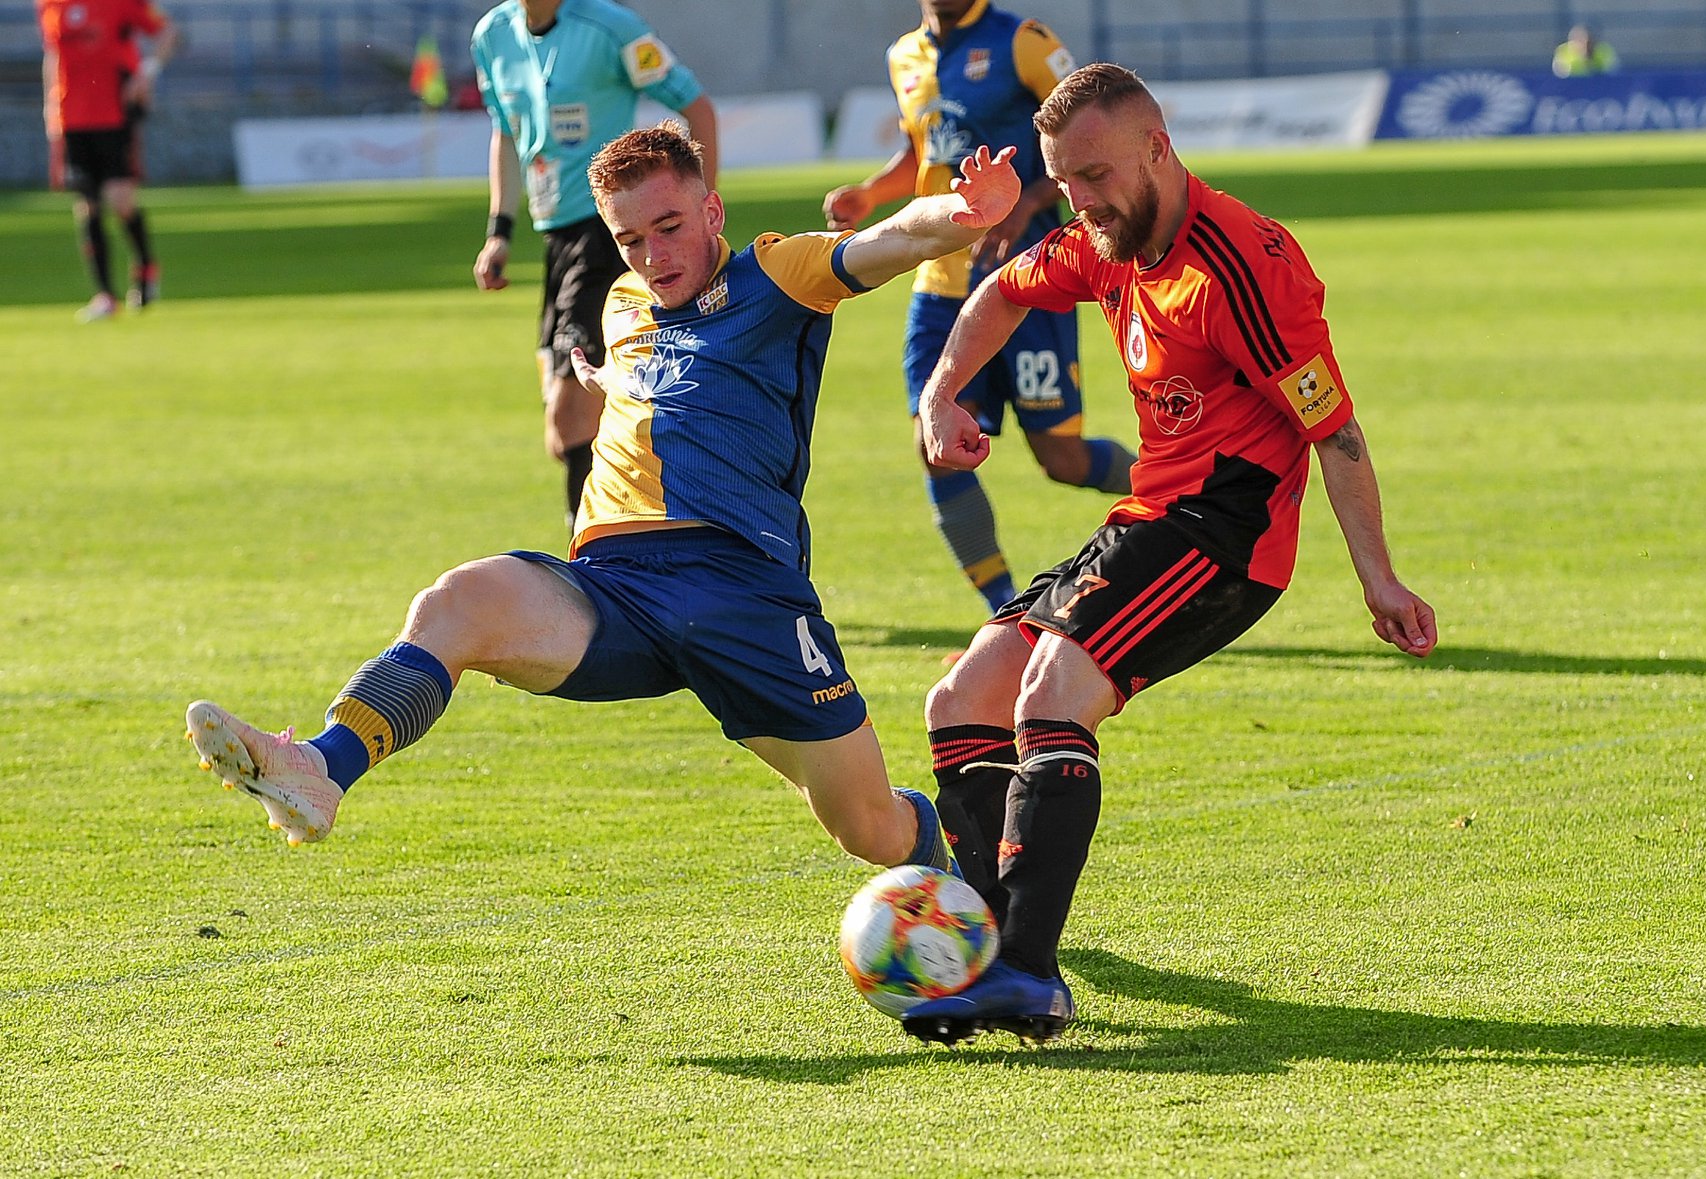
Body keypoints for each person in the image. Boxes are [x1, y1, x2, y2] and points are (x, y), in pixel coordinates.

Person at [184, 126, 1025, 894]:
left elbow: (891, 241)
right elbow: (646, 377)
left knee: (867, 826)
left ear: (712, 211)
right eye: (630, 238)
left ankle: (969, 888)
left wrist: (963, 212)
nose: (653, 255)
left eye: (669, 226)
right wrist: (608, 381)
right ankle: (320, 768)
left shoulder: (777, 275)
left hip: (743, 592)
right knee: (459, 600)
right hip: (615, 587)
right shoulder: (623, 303)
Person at [903, 63, 1439, 1045]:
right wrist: (941, 393)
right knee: (961, 699)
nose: (1080, 202)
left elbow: (1334, 431)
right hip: (1146, 519)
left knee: (1051, 697)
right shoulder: (1103, 240)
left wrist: (1379, 580)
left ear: (1157, 147)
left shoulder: (1244, 266)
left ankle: (1024, 973)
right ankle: (984, 953)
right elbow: (1000, 292)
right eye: (1064, 182)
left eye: (1095, 176)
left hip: (1227, 536)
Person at [823, 0, 1134, 614]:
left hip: (1030, 281)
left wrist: (1027, 203)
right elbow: (926, 152)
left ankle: (1184, 489)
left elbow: (1088, 136)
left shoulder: (1025, 41)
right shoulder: (904, 55)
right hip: (941, 285)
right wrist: (871, 193)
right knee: (935, 445)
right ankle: (1005, 609)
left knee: (1062, 459)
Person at [470, 0, 720, 530]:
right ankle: (659, 517)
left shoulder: (611, 28)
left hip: (609, 236)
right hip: (554, 237)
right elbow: (507, 133)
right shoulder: (492, 35)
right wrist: (499, 231)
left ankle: (595, 558)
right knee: (566, 433)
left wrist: (698, 214)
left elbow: (697, 108)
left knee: (570, 417)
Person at [36, 0, 177, 323]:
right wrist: (50, 109)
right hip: (72, 118)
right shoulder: (50, 4)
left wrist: (146, 73)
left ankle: (145, 266)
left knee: (120, 201)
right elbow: (52, 55)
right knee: (88, 205)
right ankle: (105, 296)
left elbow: (168, 32)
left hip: (115, 114)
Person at [1552, 24, 1620, 76]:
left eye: (1586, 40)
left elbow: (1612, 70)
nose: (1582, 44)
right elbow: (1559, 72)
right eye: (1577, 40)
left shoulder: (1603, 50)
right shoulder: (1563, 51)